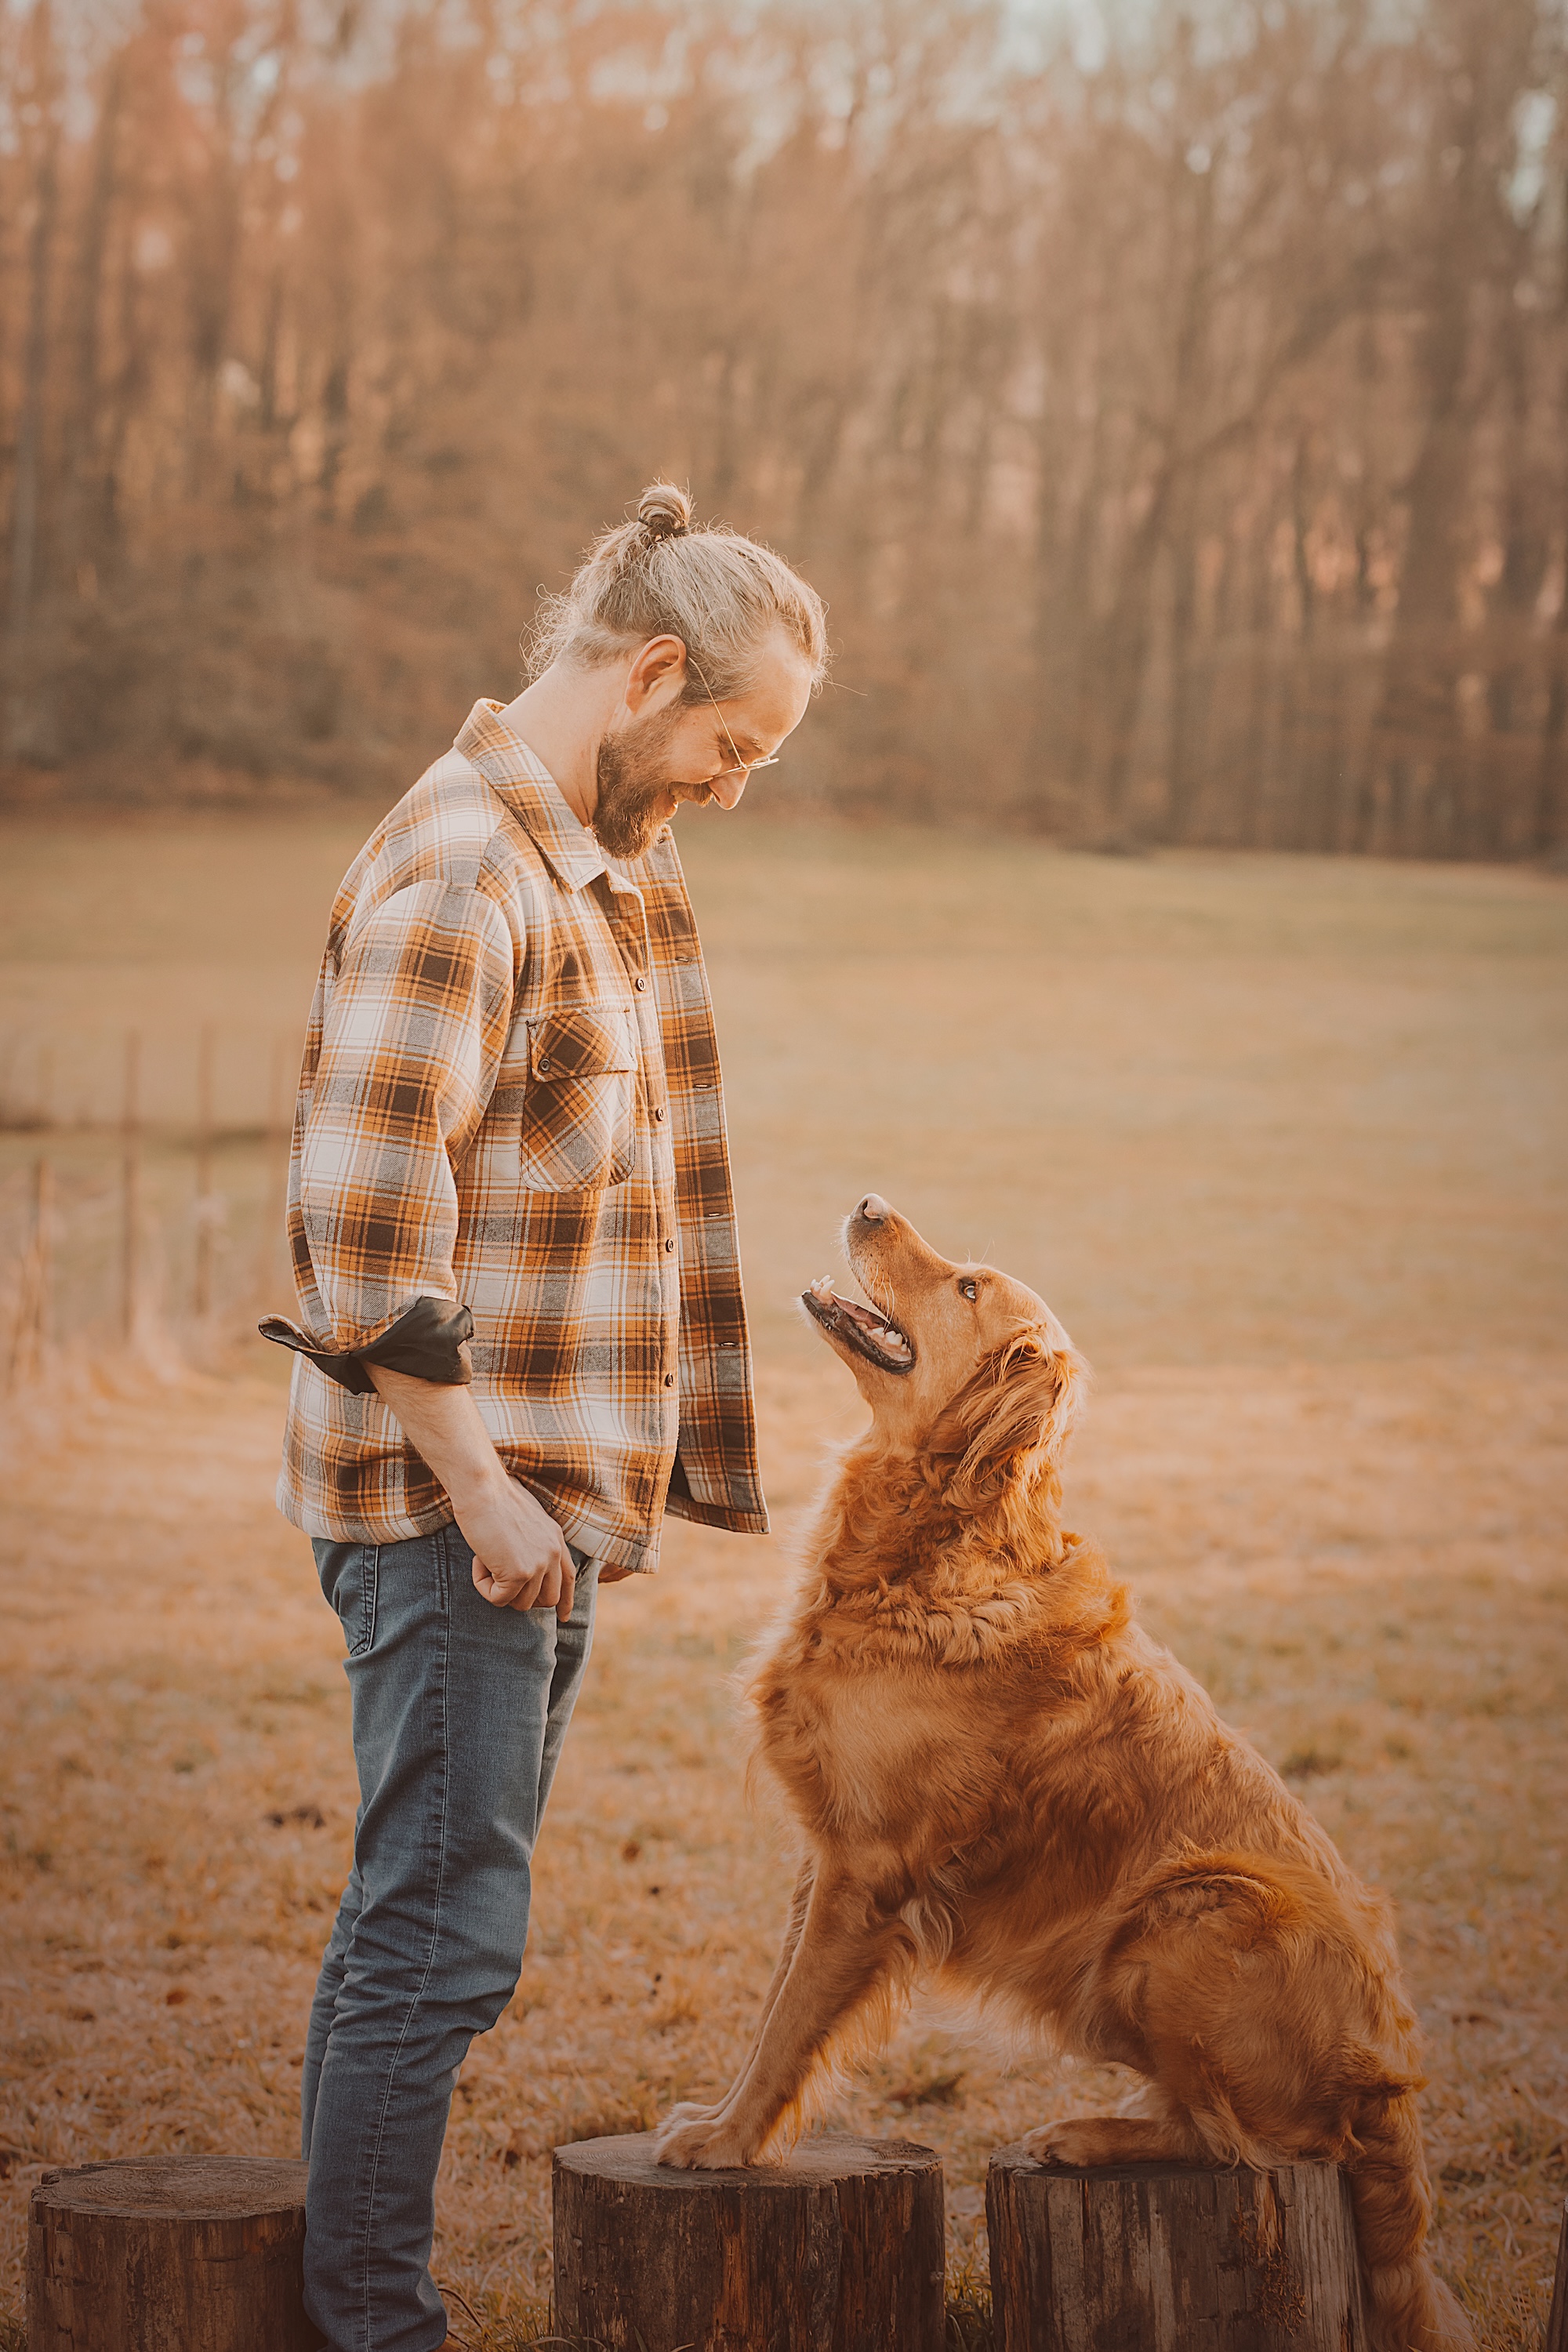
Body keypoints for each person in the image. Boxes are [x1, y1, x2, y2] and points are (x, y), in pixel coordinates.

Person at [260, 481, 826, 2352]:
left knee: (435, 1932)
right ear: (650, 672)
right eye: (731, 743)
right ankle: (375, 2330)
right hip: (457, 1521)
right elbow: (359, 1223)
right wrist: (487, 1491)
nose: (735, 785)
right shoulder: (461, 874)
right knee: (435, 1942)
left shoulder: (593, 855)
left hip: (527, 1517)